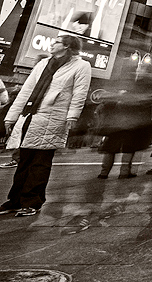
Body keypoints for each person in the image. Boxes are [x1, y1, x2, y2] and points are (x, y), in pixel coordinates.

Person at [1, 34, 91, 216]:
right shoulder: (43, 64)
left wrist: (72, 116)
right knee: (24, 161)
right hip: (31, 116)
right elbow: (27, 90)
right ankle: (15, 200)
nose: (52, 44)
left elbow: (79, 93)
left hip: (55, 117)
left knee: (40, 163)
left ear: (67, 46)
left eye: (57, 42)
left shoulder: (81, 66)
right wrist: (11, 117)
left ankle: (32, 202)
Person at [96, 71, 152, 179]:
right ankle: (124, 172)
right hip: (133, 126)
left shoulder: (125, 92)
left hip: (116, 125)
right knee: (129, 149)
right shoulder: (144, 96)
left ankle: (104, 173)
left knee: (111, 149)